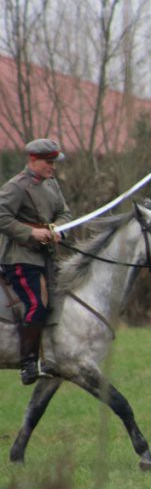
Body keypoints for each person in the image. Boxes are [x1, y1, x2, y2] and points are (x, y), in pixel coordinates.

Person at [0, 138, 72, 385]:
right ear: (33, 160)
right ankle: (28, 364)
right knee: (36, 304)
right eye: (48, 162)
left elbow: (65, 213)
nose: (52, 167)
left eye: (54, 162)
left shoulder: (52, 184)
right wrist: (31, 233)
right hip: (19, 257)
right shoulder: (17, 186)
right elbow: (2, 216)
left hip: (46, 256)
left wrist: (59, 230)